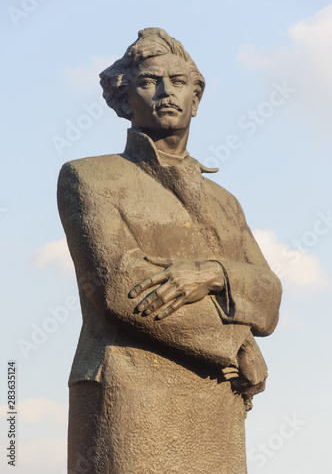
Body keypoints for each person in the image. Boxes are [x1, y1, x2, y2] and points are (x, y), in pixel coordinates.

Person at [58, 27, 282, 474]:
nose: (166, 93)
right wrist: (234, 341)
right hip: (131, 395)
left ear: (195, 97)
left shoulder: (224, 201)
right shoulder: (89, 178)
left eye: (178, 82)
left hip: (216, 399)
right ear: (124, 100)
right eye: (149, 82)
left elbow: (269, 297)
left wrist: (215, 272)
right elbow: (124, 288)